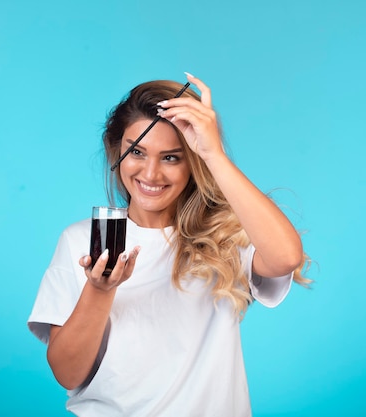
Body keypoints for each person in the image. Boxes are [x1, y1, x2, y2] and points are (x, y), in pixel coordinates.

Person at [28, 73, 310, 416]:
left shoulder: (224, 235)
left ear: (192, 163)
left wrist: (213, 154)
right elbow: (67, 373)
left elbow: (285, 257)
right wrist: (100, 290)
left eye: (172, 157)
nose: (151, 174)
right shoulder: (80, 241)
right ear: (116, 152)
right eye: (137, 152)